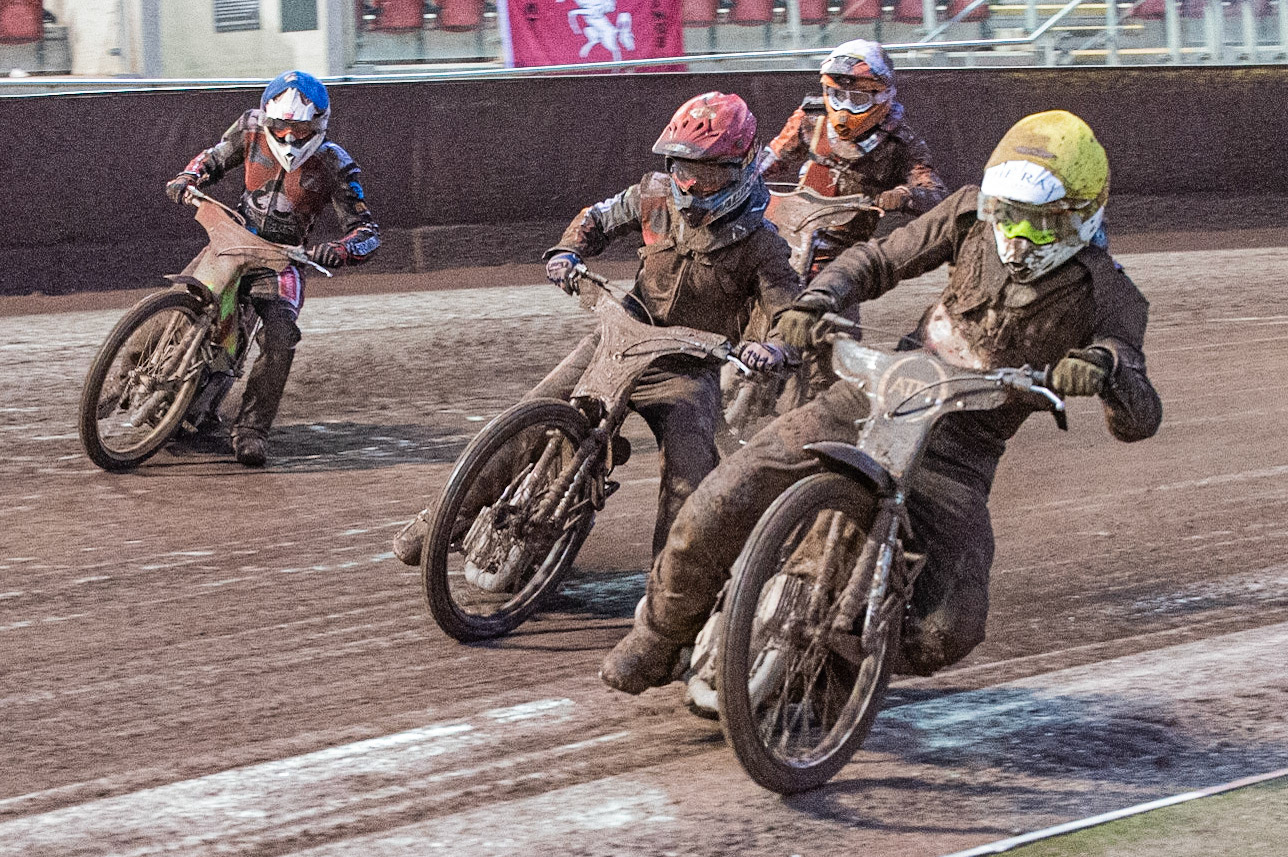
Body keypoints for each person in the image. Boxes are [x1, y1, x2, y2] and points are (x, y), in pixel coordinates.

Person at [600, 109, 1164, 694]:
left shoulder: (1113, 294)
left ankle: (835, 670)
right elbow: (881, 258)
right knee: (720, 499)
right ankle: (661, 637)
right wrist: (817, 300)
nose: (1017, 239)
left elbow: (1139, 417)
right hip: (873, 397)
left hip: (957, 460)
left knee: (950, 631)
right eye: (1007, 218)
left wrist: (1106, 370)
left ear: (1081, 218)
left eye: (1039, 227)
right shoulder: (970, 213)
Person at [393, 91, 801, 566]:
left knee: (688, 481)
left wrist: (774, 349)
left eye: (704, 172)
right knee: (532, 412)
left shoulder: (760, 242)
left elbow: (788, 310)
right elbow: (599, 217)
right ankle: (443, 520)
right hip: (622, 337)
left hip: (687, 369)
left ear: (742, 165)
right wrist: (569, 251)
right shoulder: (654, 196)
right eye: (681, 167)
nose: (688, 182)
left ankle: (668, 596)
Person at [164, 70, 380, 467]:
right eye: (280, 127)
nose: (288, 137)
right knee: (180, 300)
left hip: (285, 258)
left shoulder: (335, 163)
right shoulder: (249, 129)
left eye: (299, 129)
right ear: (267, 119)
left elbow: (367, 230)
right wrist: (189, 175)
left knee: (281, 334)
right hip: (233, 239)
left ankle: (251, 430)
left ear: (318, 126)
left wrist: (339, 250)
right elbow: (214, 157)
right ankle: (132, 368)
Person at [758, 38, 947, 263]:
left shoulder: (900, 141)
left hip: (849, 245)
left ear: (881, 96)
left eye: (858, 98)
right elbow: (774, 156)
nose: (845, 109)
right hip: (796, 226)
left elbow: (936, 193)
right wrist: (745, 175)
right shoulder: (811, 118)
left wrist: (904, 195)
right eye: (838, 96)